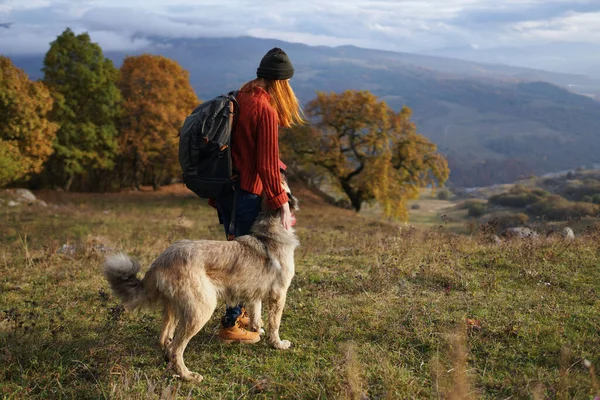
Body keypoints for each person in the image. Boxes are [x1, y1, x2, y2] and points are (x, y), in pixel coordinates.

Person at [212, 47, 304, 344]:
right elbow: (265, 164)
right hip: (247, 193)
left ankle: (245, 318)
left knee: (236, 252)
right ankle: (231, 324)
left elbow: (246, 151)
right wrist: (281, 204)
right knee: (245, 261)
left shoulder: (241, 96)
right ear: (281, 83)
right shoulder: (265, 109)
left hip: (226, 190)